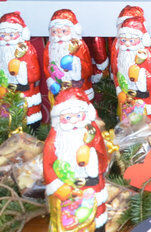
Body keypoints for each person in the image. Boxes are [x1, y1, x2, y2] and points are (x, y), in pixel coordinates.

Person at [44, 87, 109, 232]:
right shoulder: (54, 142)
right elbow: (48, 168)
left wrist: (92, 157)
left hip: (92, 187)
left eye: (78, 116)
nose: (73, 121)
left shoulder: (91, 134)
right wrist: (59, 188)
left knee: (98, 220)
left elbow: (102, 155)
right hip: (67, 192)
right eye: (67, 117)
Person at [0, 11, 42, 125]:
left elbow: (35, 73)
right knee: (6, 119)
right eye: (3, 35)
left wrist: (20, 70)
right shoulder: (2, 49)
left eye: (11, 35)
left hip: (25, 92)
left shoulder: (26, 49)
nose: (7, 39)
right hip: (5, 91)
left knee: (29, 118)